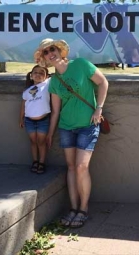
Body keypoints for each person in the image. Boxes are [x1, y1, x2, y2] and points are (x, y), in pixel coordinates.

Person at [34, 38, 109, 228]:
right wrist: (50, 134)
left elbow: (103, 83)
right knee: (71, 167)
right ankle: (73, 208)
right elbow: (56, 111)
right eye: (46, 52)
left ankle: (83, 209)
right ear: (45, 58)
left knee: (82, 166)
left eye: (53, 49)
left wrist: (99, 108)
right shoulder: (54, 82)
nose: (51, 53)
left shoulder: (81, 65)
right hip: (67, 127)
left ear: (60, 50)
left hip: (88, 124)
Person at [19, 65, 51, 174]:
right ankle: (35, 161)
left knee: (41, 142)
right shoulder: (27, 91)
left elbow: (59, 73)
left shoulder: (47, 84)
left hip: (43, 120)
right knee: (33, 142)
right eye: (35, 72)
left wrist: (44, 63)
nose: (38, 74)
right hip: (29, 121)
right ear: (31, 75)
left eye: (42, 73)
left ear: (46, 76)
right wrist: (21, 118)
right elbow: (23, 106)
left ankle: (41, 162)